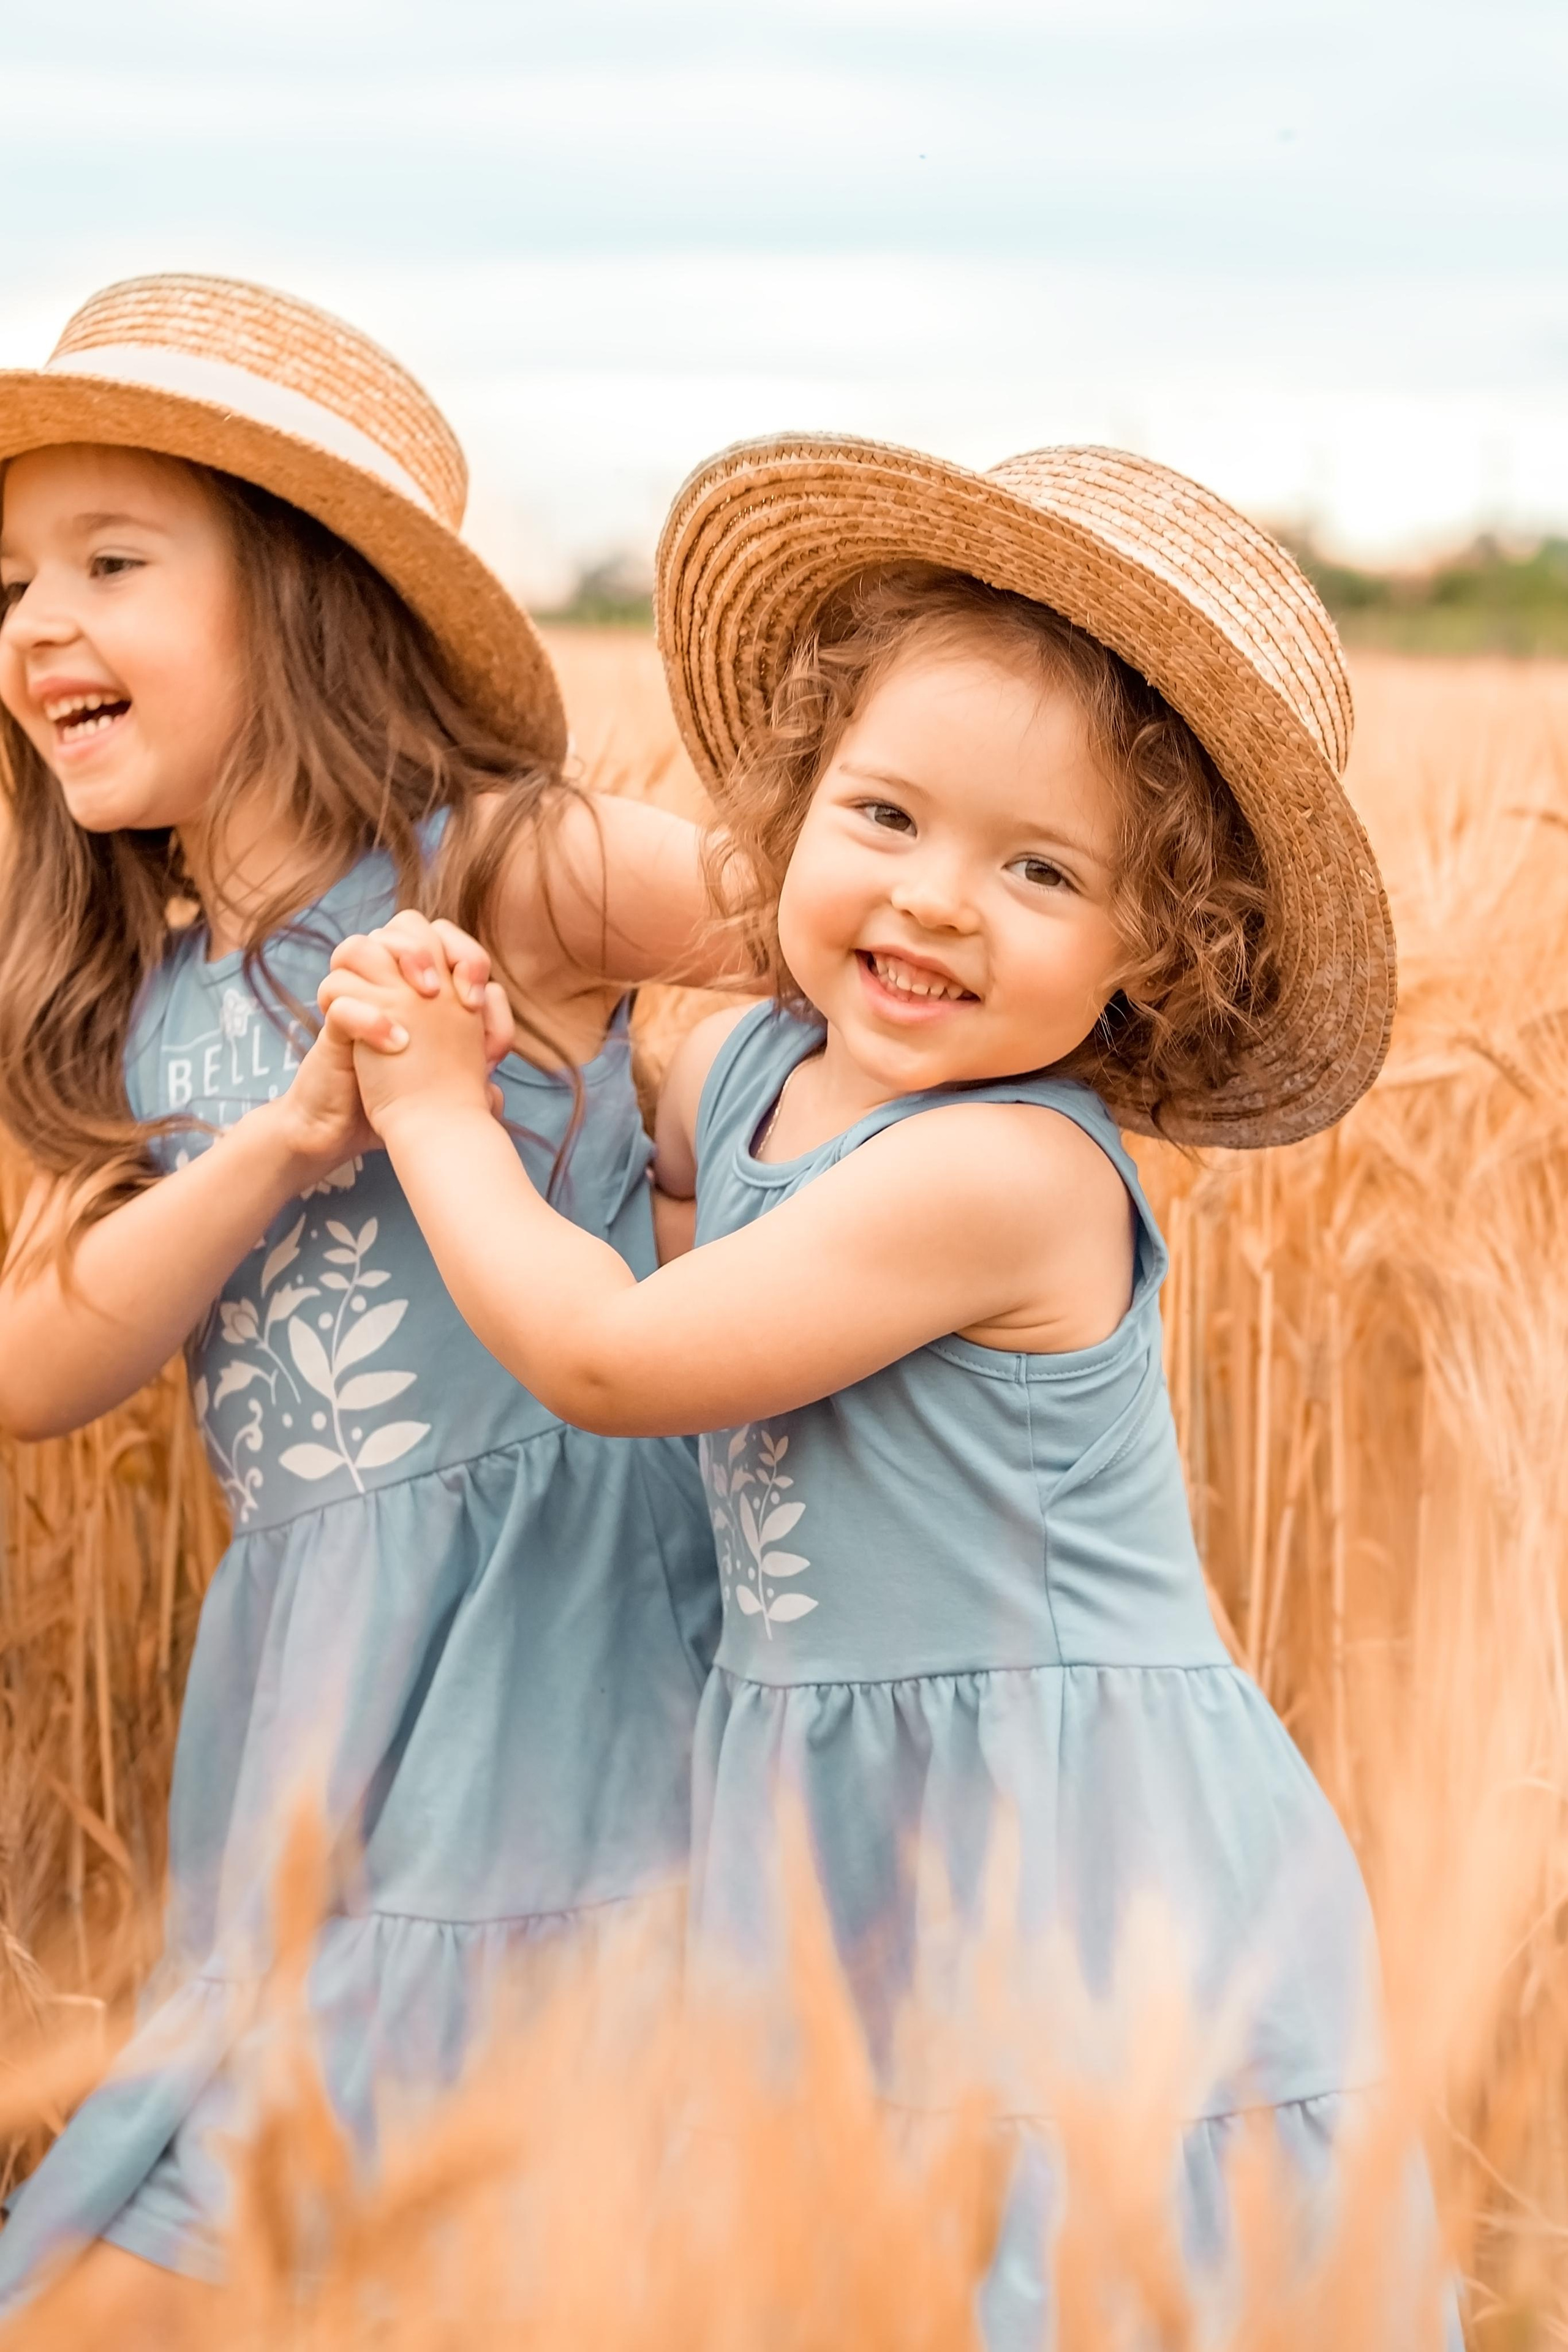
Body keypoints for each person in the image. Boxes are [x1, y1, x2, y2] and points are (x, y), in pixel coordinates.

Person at [321, 435, 1453, 2343]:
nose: (936, 903)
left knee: (1047, 2263)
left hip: (1066, 1838)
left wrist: (435, 1107)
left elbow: (612, 1355)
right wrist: (462, 979)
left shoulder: (1002, 1176)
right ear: (793, 808)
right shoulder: (768, 1064)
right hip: (832, 1798)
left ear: (1148, 951)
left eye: (1040, 868)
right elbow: (631, 1080)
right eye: (887, 816)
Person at [0, 275, 723, 2336]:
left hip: (555, 1647)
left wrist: (684, 1130)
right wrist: (283, 1142)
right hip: (318, 1693)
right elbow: (36, 1361)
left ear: (304, 600)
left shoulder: (512, 871)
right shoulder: (124, 1008)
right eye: (9, 582)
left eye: (113, 563)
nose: (39, 624)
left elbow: (833, 945)